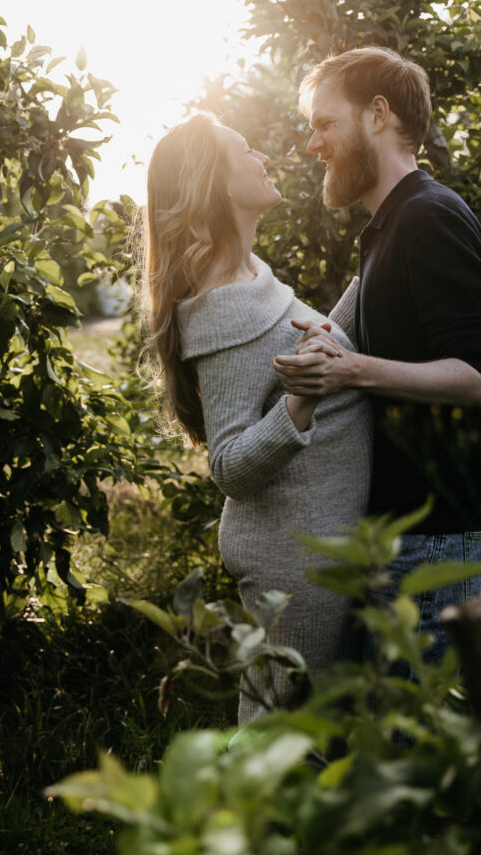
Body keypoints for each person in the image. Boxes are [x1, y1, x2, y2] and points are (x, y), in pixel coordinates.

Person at [273, 46, 481, 669]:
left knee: (415, 726)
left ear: (377, 115)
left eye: (325, 124)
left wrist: (349, 371)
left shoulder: (428, 217)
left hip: (443, 539)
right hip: (413, 534)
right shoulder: (391, 226)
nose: (314, 144)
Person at [143, 112, 372, 723]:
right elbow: (230, 467)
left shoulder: (247, 277)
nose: (264, 158)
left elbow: (301, 345)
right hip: (295, 559)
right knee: (281, 734)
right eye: (246, 150)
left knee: (316, 729)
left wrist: (369, 282)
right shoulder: (222, 302)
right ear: (212, 183)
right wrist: (303, 399)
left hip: (320, 543)